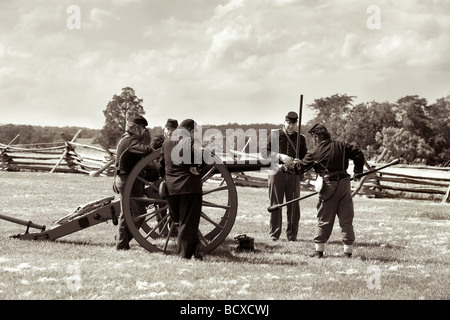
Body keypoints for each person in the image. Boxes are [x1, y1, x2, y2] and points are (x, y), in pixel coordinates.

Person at [282, 123, 365, 258]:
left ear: (316, 137)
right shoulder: (342, 145)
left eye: (314, 137)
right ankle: (348, 252)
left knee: (324, 219)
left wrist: (285, 168)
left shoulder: (314, 153)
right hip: (344, 185)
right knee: (346, 219)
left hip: (329, 186)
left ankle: (319, 251)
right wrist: (358, 171)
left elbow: (299, 169)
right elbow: (358, 152)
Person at [158, 119, 205, 260]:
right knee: (188, 223)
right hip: (189, 188)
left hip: (171, 189)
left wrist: (166, 178)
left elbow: (160, 165)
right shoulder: (190, 141)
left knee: (178, 222)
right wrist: (198, 169)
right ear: (190, 130)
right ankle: (183, 255)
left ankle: (196, 247)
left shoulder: (166, 142)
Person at [261, 111, 307, 241]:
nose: (291, 126)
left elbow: (305, 157)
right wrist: (280, 156)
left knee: (293, 205)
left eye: (293, 123)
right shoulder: (275, 135)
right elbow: (265, 153)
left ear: (296, 123)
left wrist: (301, 162)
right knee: (276, 204)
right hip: (277, 172)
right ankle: (274, 234)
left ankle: (292, 234)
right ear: (284, 122)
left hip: (293, 174)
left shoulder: (301, 138)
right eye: (288, 123)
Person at [113, 116, 154, 250]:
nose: (144, 132)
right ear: (135, 128)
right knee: (133, 213)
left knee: (132, 213)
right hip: (127, 181)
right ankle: (121, 243)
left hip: (125, 179)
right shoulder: (130, 141)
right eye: (142, 129)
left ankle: (121, 239)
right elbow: (146, 150)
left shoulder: (125, 139)